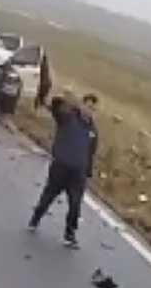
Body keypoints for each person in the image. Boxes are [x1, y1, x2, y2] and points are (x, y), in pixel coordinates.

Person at [27, 91, 99, 248]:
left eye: (93, 109)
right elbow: (55, 105)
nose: (89, 111)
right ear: (81, 105)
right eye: (87, 107)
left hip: (77, 173)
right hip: (60, 167)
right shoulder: (67, 118)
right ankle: (36, 218)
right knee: (49, 196)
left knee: (75, 204)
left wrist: (88, 172)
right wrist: (62, 100)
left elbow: (91, 152)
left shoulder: (93, 131)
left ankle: (70, 234)